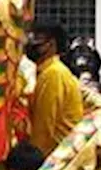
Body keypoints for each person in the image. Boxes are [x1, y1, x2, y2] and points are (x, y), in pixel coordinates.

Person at [27, 23, 84, 157]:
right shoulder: (50, 71)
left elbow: (44, 127)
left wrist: (33, 162)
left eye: (36, 39)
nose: (30, 44)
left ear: (50, 44)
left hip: (58, 156)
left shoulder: (53, 74)